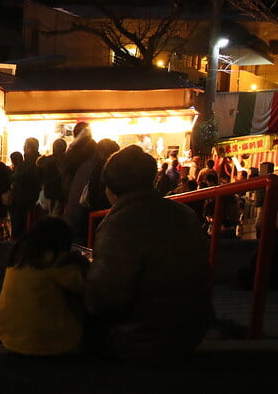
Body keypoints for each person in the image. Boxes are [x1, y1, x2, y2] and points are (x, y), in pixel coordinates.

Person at [85, 145, 212, 365]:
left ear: (111, 188)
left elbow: (102, 300)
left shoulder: (118, 224)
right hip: (190, 333)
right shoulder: (184, 213)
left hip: (138, 341)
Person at [0, 216, 89, 355]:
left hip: (7, 335)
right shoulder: (57, 261)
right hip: (45, 343)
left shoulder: (20, 257)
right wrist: (81, 262)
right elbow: (85, 286)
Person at [9, 138, 42, 239]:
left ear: (30, 148)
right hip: (33, 199)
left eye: (25, 146)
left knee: (19, 228)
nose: (23, 148)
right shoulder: (39, 161)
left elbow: (20, 178)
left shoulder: (29, 163)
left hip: (23, 200)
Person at [38, 138, 67, 215]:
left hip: (47, 192)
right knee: (56, 214)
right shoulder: (64, 161)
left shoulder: (46, 161)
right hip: (59, 193)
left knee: (48, 213)